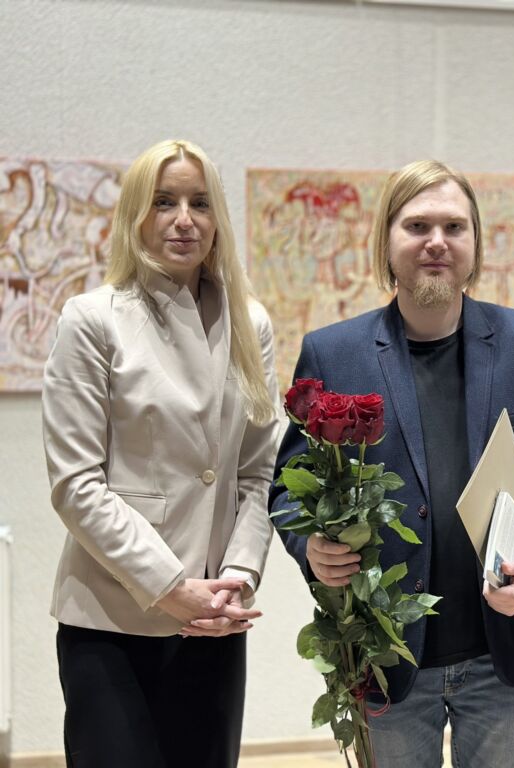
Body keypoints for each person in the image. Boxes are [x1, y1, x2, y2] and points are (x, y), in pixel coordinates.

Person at [268, 159, 514, 768]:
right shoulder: (333, 353)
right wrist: (310, 547)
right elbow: (287, 489)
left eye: (453, 227)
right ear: (387, 242)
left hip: (505, 651)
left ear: (475, 243)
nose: (436, 242)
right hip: (385, 657)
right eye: (417, 226)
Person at [42, 139, 280, 767]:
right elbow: (75, 485)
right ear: (135, 214)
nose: (184, 219)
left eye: (200, 203)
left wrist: (239, 578)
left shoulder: (250, 323)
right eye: (164, 201)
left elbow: (257, 474)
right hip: (112, 618)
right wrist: (170, 586)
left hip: (214, 618)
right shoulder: (92, 319)